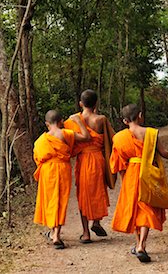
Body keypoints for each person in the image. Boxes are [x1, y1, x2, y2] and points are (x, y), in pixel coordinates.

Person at [110, 104, 168, 262]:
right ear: (140, 115)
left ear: (125, 121)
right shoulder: (150, 133)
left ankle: (138, 243)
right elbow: (164, 153)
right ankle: (141, 245)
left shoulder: (119, 137)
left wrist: (123, 180)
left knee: (135, 209)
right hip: (148, 173)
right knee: (147, 207)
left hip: (131, 174)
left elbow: (117, 163)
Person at [33, 110, 91, 249]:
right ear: (61, 122)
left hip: (47, 170)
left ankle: (54, 232)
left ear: (47, 124)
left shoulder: (40, 140)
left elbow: (37, 157)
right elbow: (86, 137)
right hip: (62, 168)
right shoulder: (66, 133)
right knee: (60, 200)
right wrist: (78, 121)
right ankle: (56, 234)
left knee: (50, 200)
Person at [64, 89, 115, 243]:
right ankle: (97, 222)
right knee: (98, 191)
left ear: (81, 103)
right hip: (98, 159)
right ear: (96, 103)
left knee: (83, 195)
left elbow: (67, 141)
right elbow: (113, 138)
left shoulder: (72, 121)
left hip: (83, 159)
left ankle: (86, 233)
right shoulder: (101, 119)